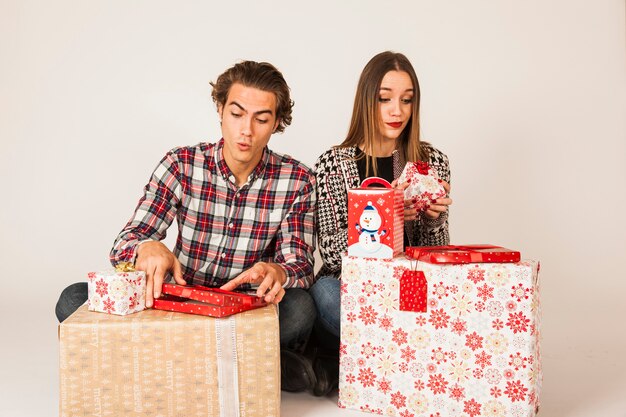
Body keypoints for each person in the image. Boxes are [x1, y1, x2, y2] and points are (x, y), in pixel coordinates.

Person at [55, 60, 319, 393]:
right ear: (220, 109)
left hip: (241, 311)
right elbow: (125, 242)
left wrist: (277, 272)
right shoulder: (181, 164)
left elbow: (300, 266)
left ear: (277, 122)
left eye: (261, 118)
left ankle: (170, 360)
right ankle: (250, 362)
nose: (247, 130)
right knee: (73, 299)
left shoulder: (298, 180)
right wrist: (145, 247)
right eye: (237, 114)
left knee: (301, 309)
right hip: (176, 305)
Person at [308, 51, 453, 396]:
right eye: (385, 98)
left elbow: (438, 259)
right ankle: (399, 359)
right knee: (324, 294)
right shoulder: (334, 162)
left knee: (445, 297)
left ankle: (356, 362)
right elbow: (328, 252)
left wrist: (434, 218)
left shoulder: (432, 162)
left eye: (406, 100)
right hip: (352, 289)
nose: (397, 111)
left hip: (406, 289)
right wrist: (385, 216)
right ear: (366, 100)